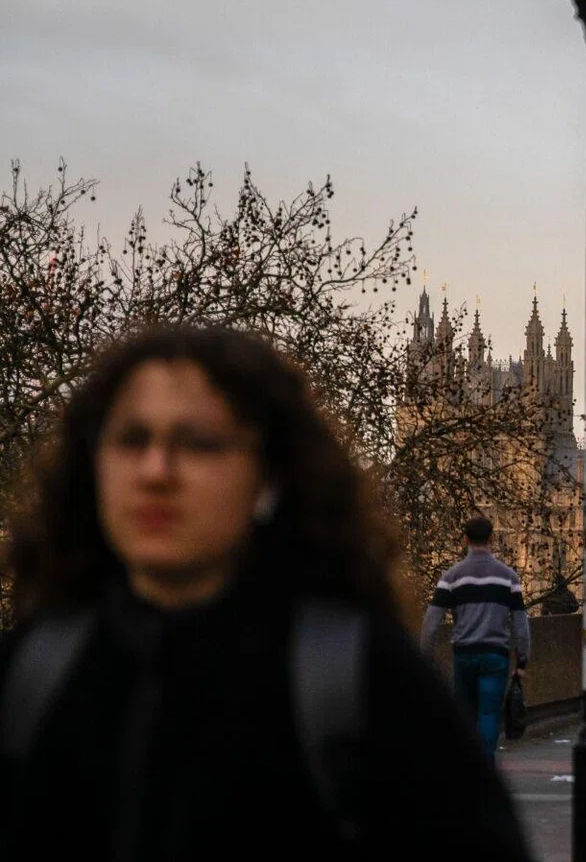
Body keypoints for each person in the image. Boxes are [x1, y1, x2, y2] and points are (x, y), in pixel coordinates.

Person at [0, 325, 531, 860]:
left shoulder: (366, 684)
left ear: (270, 474)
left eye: (199, 443)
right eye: (131, 439)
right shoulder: (33, 675)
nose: (155, 470)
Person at [422, 515, 533, 761]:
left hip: (464, 653)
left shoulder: (451, 577)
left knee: (465, 714)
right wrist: (522, 660)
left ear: (465, 539)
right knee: (488, 714)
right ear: (492, 539)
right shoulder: (508, 577)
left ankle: (467, 768)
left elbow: (430, 623)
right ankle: (485, 767)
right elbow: (521, 623)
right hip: (496, 654)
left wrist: (426, 658)